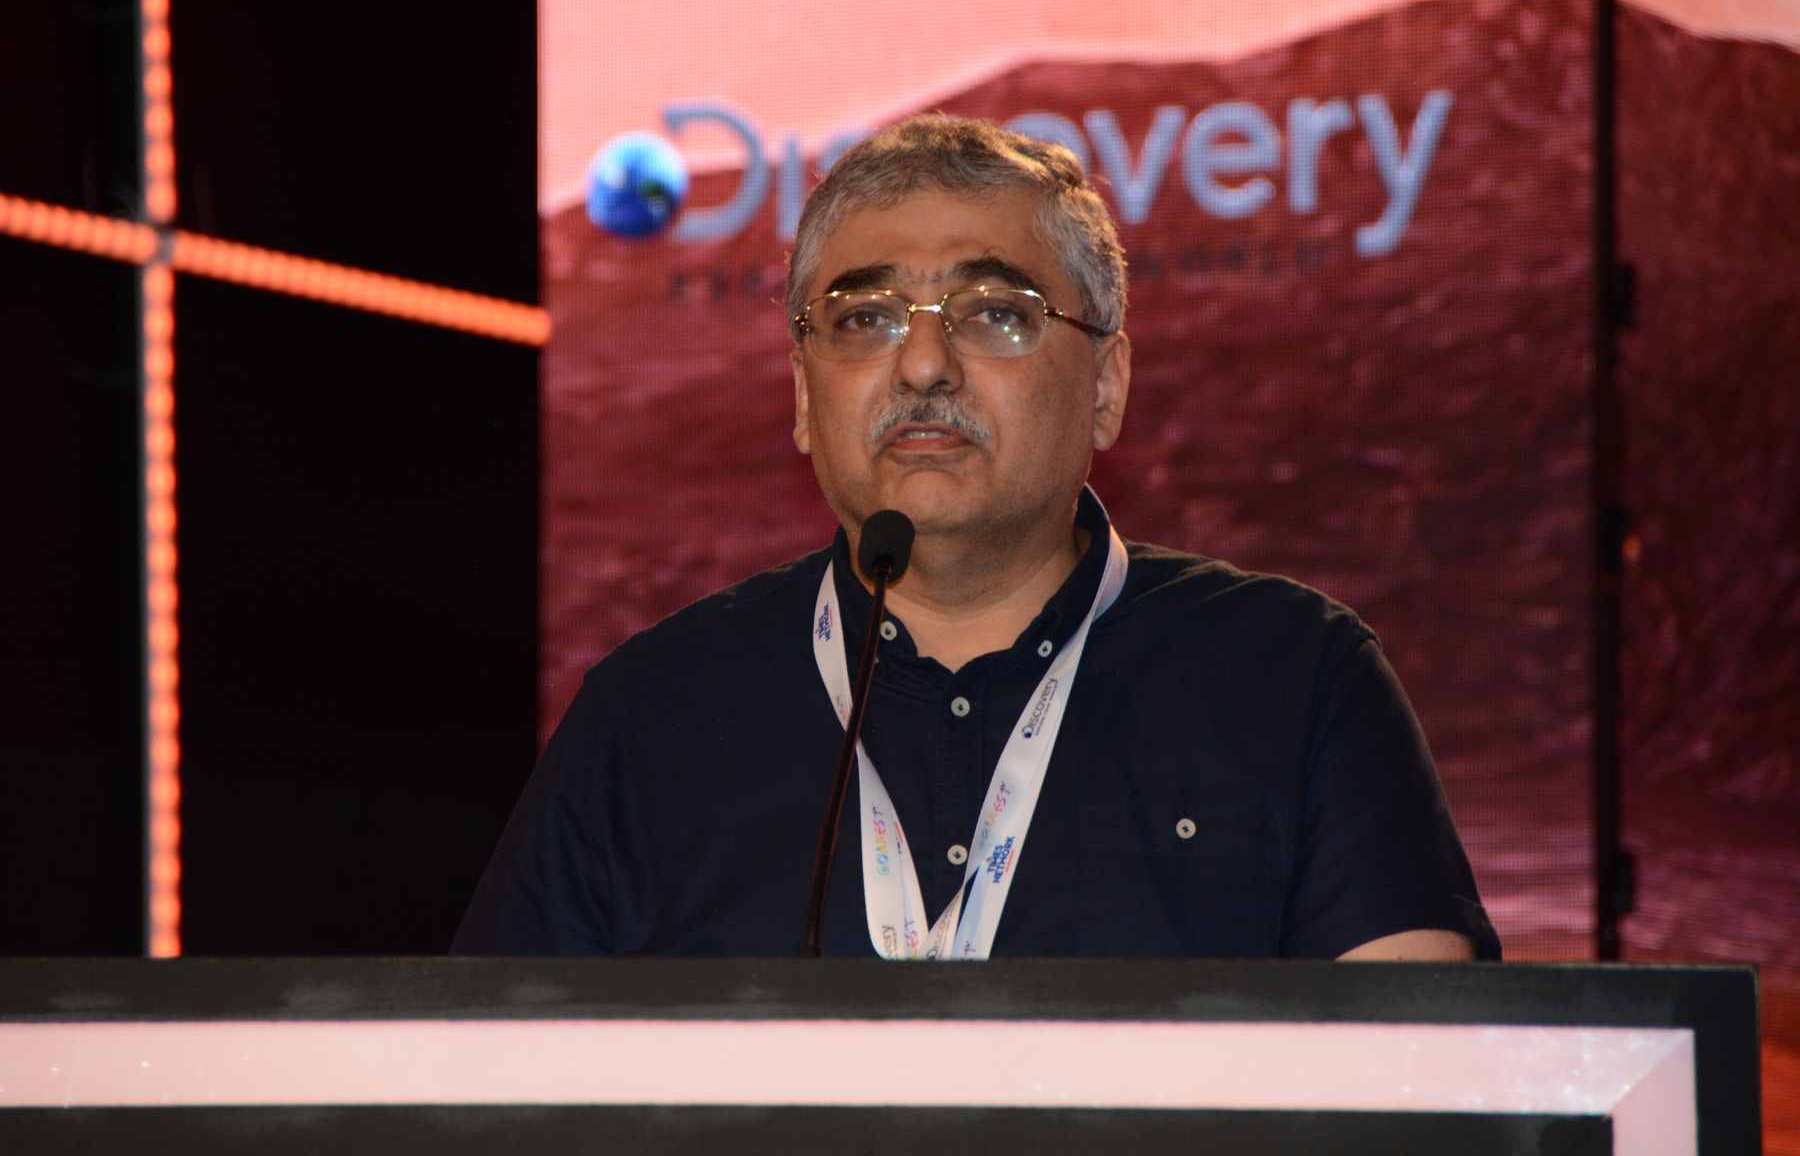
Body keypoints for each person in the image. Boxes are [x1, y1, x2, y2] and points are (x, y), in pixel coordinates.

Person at [454, 115, 1499, 961]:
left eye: (996, 311)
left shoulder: (1295, 678)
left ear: (1106, 386)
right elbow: (488, 1085)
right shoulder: (651, 715)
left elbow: (1422, 1083)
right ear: (805, 398)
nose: (923, 365)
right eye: (865, 317)